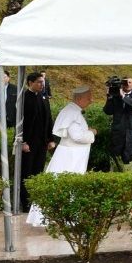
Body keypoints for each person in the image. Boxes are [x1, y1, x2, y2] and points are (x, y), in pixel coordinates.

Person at [27, 86, 97, 227]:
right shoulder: (72, 112)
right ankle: (63, 218)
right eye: (88, 98)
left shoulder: (73, 111)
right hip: (70, 158)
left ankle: (67, 216)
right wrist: (92, 133)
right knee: (67, 184)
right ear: (79, 98)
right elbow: (77, 136)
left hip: (71, 155)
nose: (91, 100)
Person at [19, 72, 54, 209]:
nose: (42, 84)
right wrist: (23, 141)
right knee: (27, 171)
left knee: (38, 171)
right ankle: (26, 202)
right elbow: (19, 122)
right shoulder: (23, 98)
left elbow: (48, 119)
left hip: (42, 141)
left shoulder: (43, 97)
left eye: (43, 81)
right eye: (39, 82)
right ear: (30, 83)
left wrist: (50, 139)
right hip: (29, 142)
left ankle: (36, 201)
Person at [104, 76, 132, 172]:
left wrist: (123, 96)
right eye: (126, 83)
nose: (128, 84)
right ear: (121, 84)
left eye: (130, 82)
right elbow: (108, 111)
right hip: (119, 131)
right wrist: (109, 98)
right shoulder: (115, 96)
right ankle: (119, 176)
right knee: (117, 156)